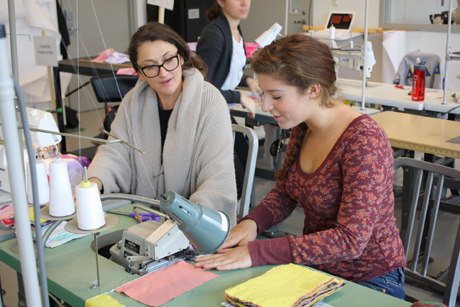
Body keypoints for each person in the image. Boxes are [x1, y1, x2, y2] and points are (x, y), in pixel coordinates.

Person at [195, 34, 407, 299]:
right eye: (263, 94)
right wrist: (252, 223)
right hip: (315, 270)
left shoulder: (363, 141)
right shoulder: (302, 125)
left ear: (313, 90)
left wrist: (260, 252)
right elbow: (286, 192)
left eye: (276, 96)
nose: (266, 105)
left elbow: (350, 241)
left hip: (369, 280)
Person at [87, 22, 238, 226]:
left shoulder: (210, 101)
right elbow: (115, 153)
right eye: (150, 66)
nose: (163, 73)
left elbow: (217, 178)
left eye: (169, 60)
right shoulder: (133, 101)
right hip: (140, 219)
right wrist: (95, 183)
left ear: (182, 57)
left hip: (191, 225)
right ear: (139, 73)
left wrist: (186, 222)